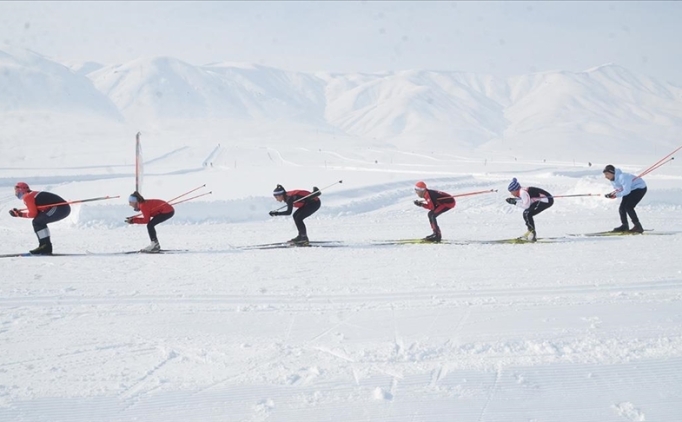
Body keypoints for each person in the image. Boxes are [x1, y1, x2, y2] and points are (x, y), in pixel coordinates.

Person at [9, 182, 71, 255]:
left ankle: (45, 246)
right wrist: (19, 214)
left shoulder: (27, 196)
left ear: (22, 190)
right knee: (38, 221)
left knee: (37, 221)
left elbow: (33, 214)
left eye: (17, 190)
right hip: (62, 208)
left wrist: (20, 214)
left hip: (60, 208)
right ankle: (45, 246)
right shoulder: (31, 194)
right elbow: (36, 211)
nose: (16, 192)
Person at [506, 178, 553, 242]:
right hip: (543, 200)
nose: (511, 194)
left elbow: (526, 206)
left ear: (515, 190)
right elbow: (526, 201)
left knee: (527, 213)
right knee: (527, 213)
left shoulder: (522, 192)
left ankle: (531, 233)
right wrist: (514, 200)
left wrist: (514, 202)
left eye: (511, 192)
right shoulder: (521, 191)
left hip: (546, 200)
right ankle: (531, 232)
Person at [602, 164, 647, 233]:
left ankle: (638, 226)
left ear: (612, 173)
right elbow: (620, 189)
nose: (606, 177)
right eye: (605, 174)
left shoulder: (623, 177)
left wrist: (616, 195)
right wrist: (612, 194)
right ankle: (624, 225)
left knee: (628, 207)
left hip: (639, 188)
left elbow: (626, 191)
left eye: (607, 174)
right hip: (631, 190)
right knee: (622, 208)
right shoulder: (613, 180)